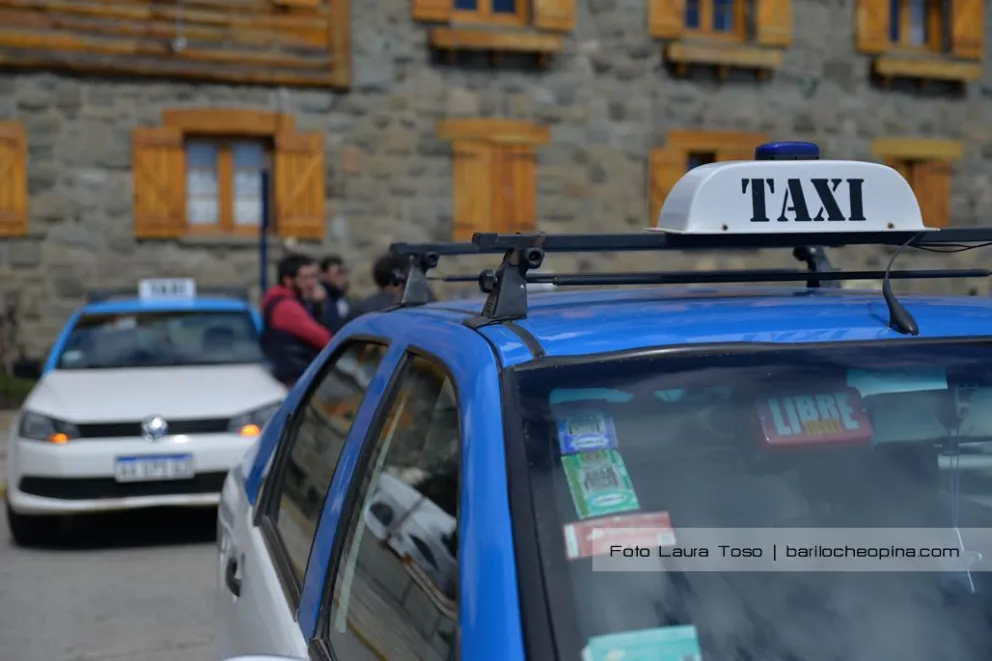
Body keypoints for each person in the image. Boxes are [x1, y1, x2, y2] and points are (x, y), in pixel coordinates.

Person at [260, 254, 333, 387]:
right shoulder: (287, 307)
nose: (312, 283)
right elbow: (325, 339)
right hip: (295, 379)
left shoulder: (289, 301)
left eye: (314, 276)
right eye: (305, 278)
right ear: (288, 280)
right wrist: (320, 305)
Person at [311, 255, 352, 333]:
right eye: (338, 273)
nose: (342, 277)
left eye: (344, 272)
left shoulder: (345, 298)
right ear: (324, 275)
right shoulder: (318, 300)